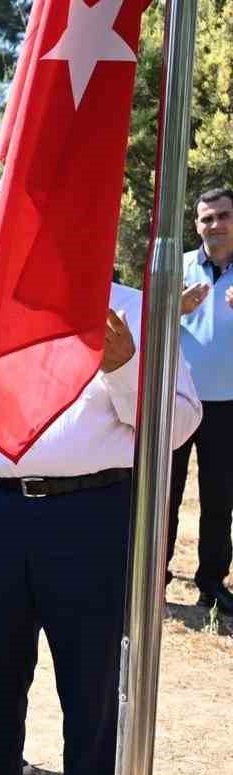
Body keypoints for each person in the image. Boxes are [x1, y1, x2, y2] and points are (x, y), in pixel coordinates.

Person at [0, 283, 201, 775]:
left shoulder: (139, 307)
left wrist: (123, 367)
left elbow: (180, 423)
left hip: (88, 512)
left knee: (88, 681)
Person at [168, 187, 233, 613]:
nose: (215, 225)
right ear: (196, 225)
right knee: (164, 495)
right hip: (176, 399)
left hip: (228, 405)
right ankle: (152, 578)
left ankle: (211, 583)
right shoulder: (178, 266)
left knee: (219, 500)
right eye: (207, 218)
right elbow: (145, 321)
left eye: (223, 216)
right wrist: (174, 307)